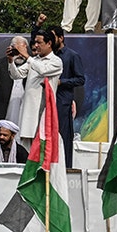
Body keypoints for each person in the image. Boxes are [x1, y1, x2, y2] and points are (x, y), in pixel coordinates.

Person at [48, 23, 85, 167]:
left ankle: (65, 168)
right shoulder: (49, 56)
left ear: (61, 38)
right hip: (47, 101)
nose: (50, 40)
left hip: (63, 102)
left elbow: (80, 79)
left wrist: (61, 82)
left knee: (62, 136)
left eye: (53, 37)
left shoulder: (72, 56)